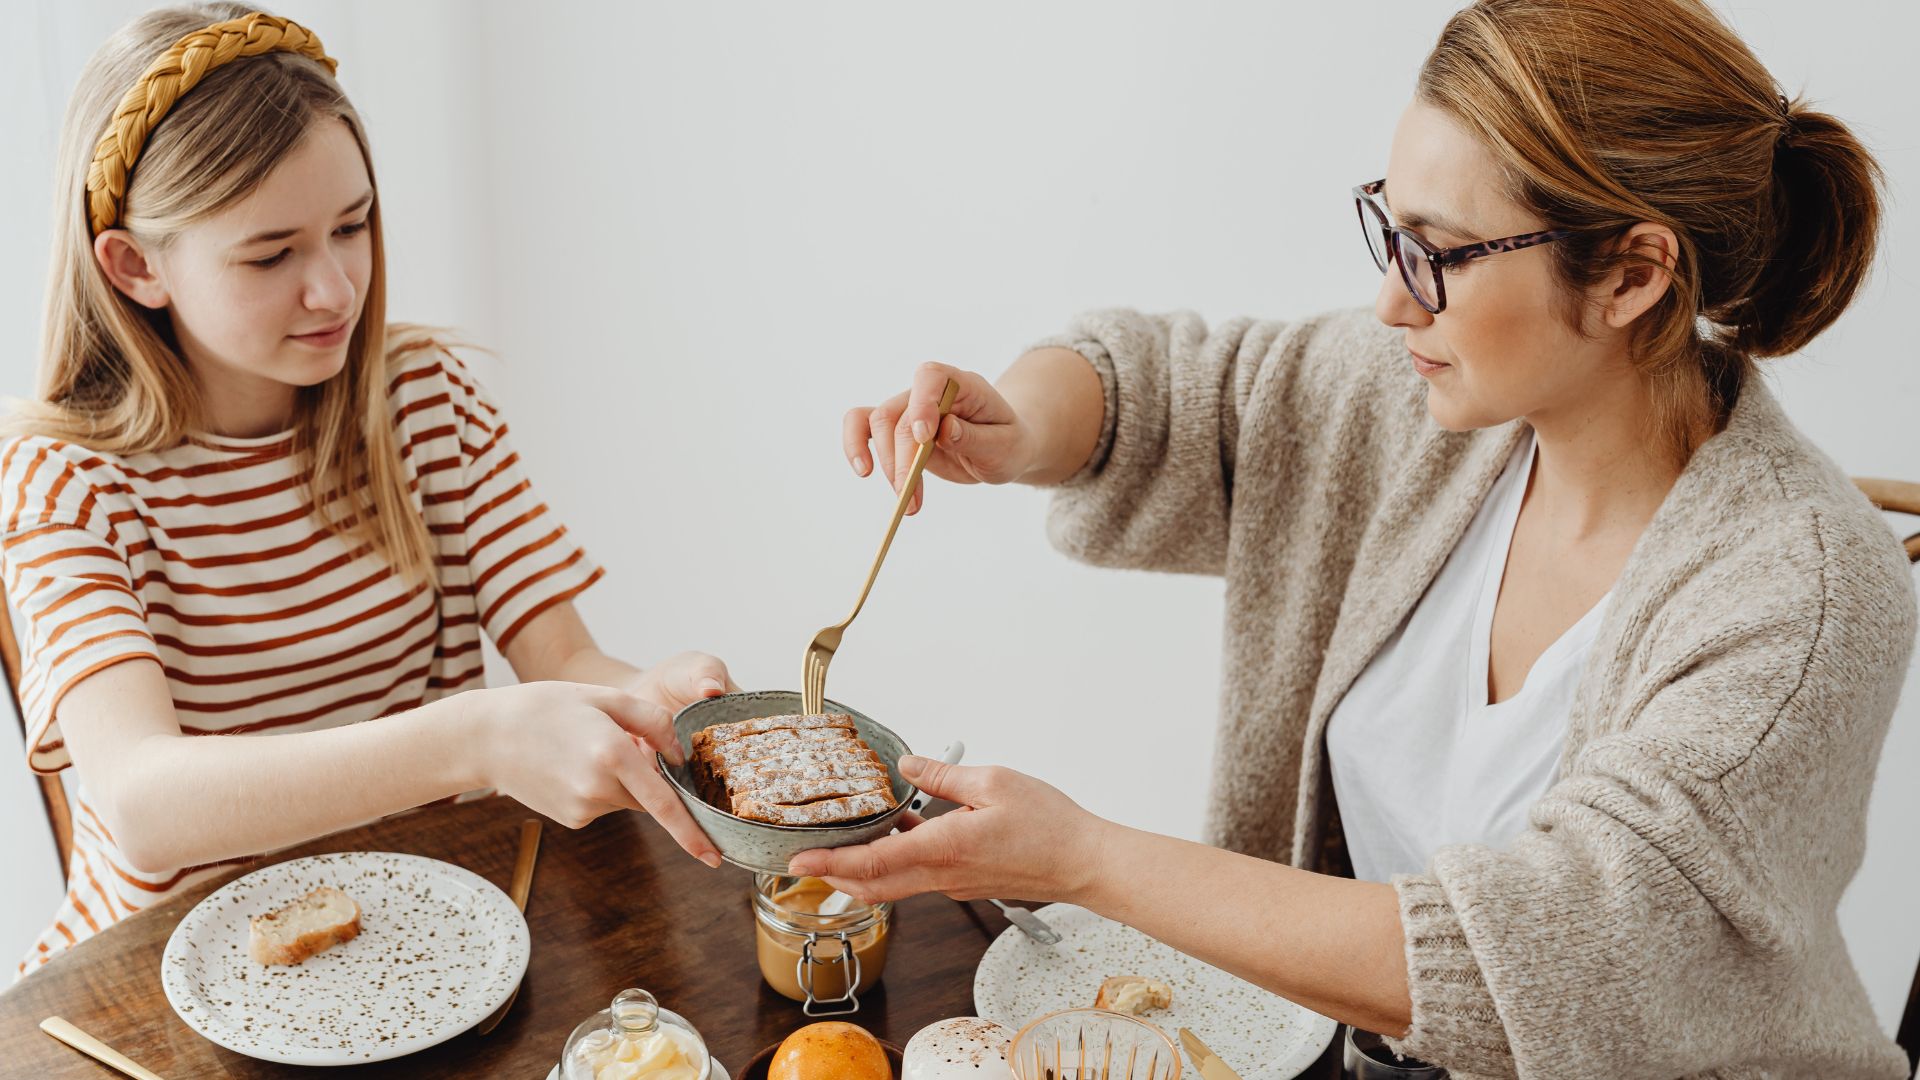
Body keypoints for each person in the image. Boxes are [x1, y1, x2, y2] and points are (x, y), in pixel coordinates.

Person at [808, 1, 1914, 1075]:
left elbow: (1547, 961)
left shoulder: (1801, 597)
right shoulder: (1425, 406)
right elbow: (1171, 389)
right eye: (1390, 226)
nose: (1391, 301)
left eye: (1436, 252)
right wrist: (1017, 426)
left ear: (1633, 273)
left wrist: (1086, 860)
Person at [3, 4, 731, 978]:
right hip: (167, 981)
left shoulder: (425, 402)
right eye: (272, 254)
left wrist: (644, 701)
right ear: (137, 267)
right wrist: (473, 742)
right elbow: (143, 805)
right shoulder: (67, 481)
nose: (337, 288)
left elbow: (566, 657)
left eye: (353, 226)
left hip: (417, 951)